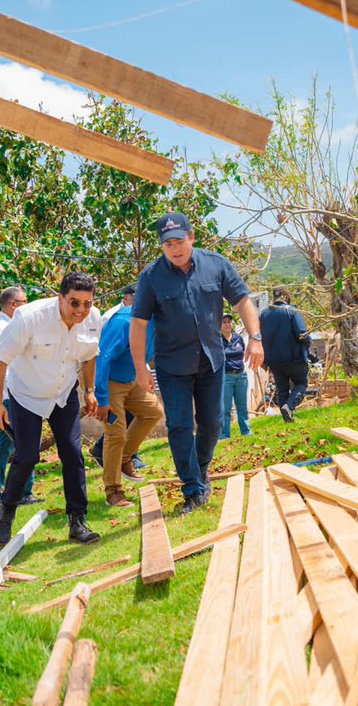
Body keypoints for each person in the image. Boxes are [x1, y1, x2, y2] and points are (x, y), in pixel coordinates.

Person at [131, 212, 263, 515]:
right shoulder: (151, 277)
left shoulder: (216, 265)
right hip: (172, 365)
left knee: (214, 422)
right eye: (168, 245)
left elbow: (242, 301)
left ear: (191, 237)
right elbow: (138, 324)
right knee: (178, 426)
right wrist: (140, 367)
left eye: (179, 241)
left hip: (211, 361)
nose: (175, 249)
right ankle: (192, 489)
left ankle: (200, 468)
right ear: (161, 246)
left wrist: (255, 338)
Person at [0, 272, 103, 546]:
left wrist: (89, 390)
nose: (81, 311)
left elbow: (89, 356)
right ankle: (6, 511)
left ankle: (77, 520)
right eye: (74, 303)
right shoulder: (30, 317)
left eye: (87, 304)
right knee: (27, 456)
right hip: (26, 394)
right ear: (60, 297)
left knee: (73, 454)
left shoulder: (93, 319)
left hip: (63, 394)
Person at [93, 294, 162, 507]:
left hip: (132, 381)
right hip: (110, 382)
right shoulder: (123, 322)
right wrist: (101, 397)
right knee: (116, 434)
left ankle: (124, 459)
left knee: (153, 412)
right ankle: (113, 491)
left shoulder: (157, 321)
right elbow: (102, 358)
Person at [0, 287, 42, 509]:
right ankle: (12, 493)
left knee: (10, 447)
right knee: (18, 446)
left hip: (11, 395)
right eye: (25, 301)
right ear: (13, 305)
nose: (28, 305)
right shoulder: (2, 329)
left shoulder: (4, 326)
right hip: (10, 397)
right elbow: (2, 366)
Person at [89, 282, 148, 470]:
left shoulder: (141, 316)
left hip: (131, 374)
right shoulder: (113, 317)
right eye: (135, 298)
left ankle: (121, 453)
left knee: (138, 413)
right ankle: (109, 455)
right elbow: (102, 352)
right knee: (117, 422)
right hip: (111, 378)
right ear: (125, 298)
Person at [260, 287, 312, 423]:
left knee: (282, 389)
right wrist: (308, 344)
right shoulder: (291, 311)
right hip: (294, 359)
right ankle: (289, 406)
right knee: (301, 383)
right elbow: (302, 334)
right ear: (286, 297)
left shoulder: (263, 315)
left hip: (275, 362)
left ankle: (287, 421)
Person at [219, 314, 251, 439]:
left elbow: (241, 353)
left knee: (242, 407)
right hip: (226, 377)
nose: (227, 324)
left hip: (241, 376)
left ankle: (246, 432)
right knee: (226, 408)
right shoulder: (217, 340)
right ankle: (224, 434)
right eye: (224, 322)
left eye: (229, 322)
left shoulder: (238, 338)